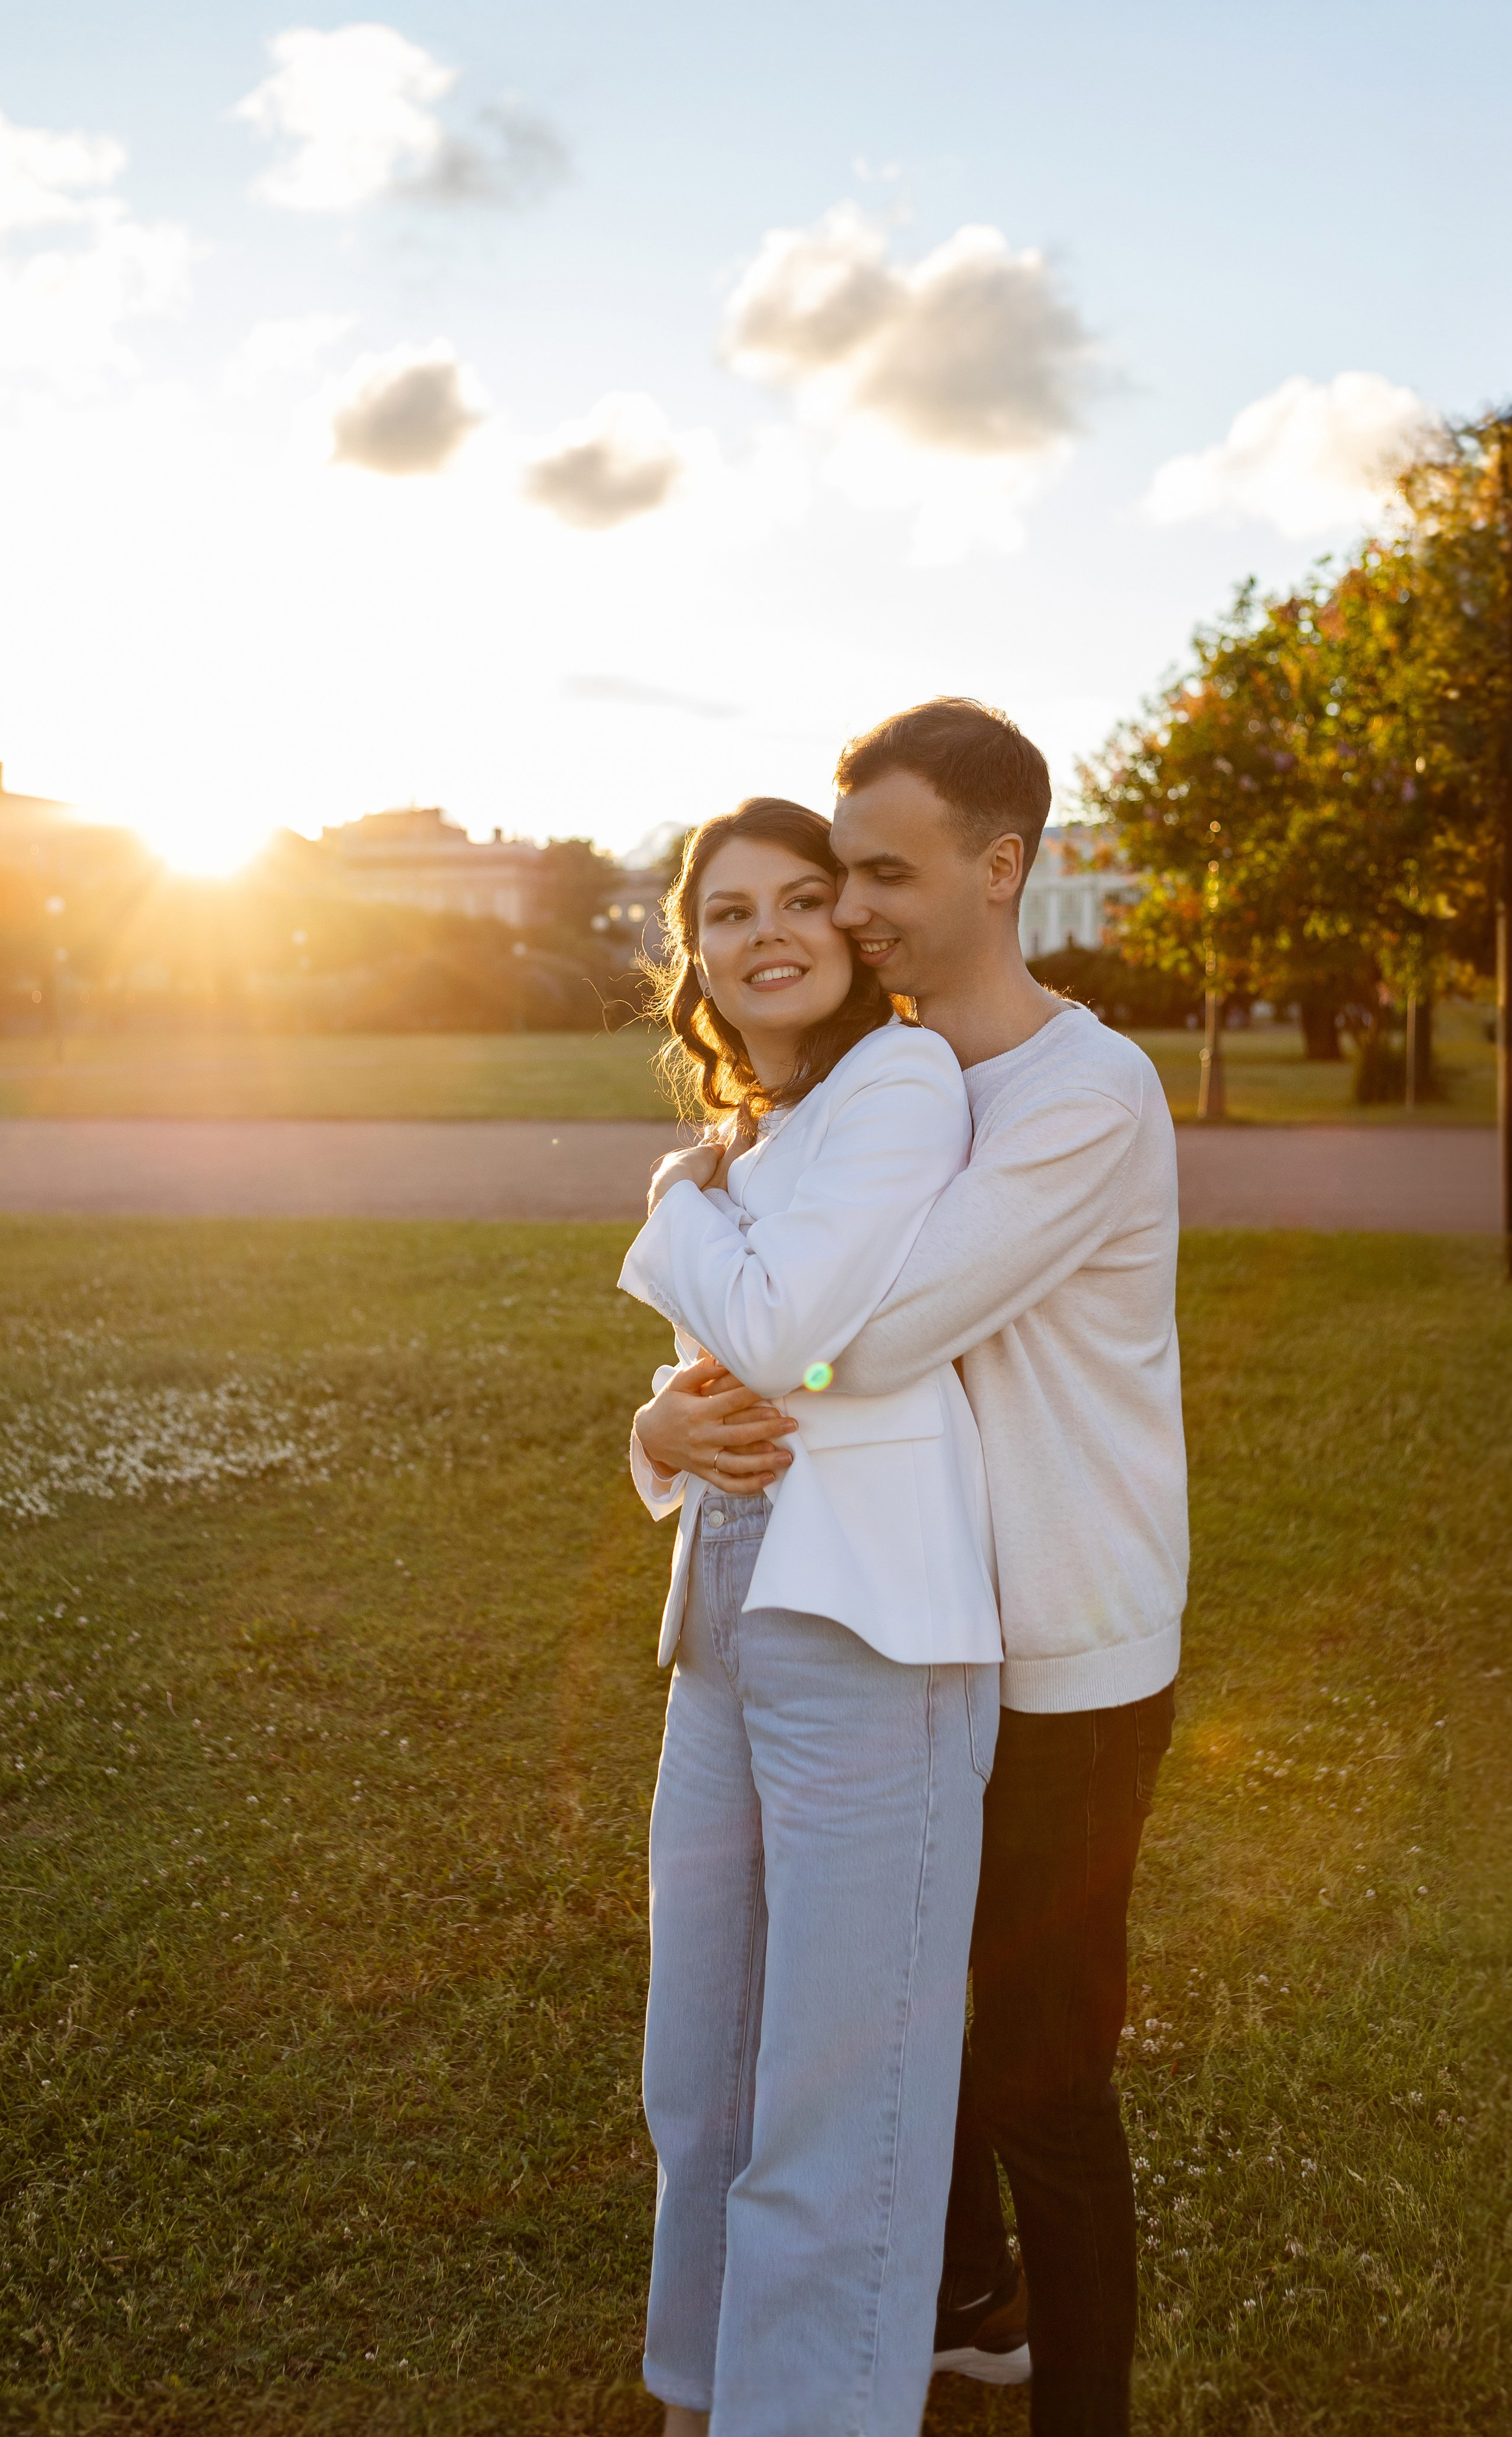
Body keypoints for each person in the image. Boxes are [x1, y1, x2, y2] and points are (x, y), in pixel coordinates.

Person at [635, 700, 1187, 2437]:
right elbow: (777, 1341)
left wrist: (679, 1225)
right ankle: (961, 2307)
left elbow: (848, 1347)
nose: (850, 906)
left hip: (1069, 1635)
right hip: (919, 1611)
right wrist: (664, 1415)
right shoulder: (882, 1078)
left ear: (999, 868)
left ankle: (1072, 2398)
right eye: (830, 874)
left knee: (1038, 2065)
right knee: (885, 2013)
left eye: (880, 872)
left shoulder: (1078, 1091)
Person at [620, 795, 1003, 2437]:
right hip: (719, 1612)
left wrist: (669, 1205)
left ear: (848, 929)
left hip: (869, 1629)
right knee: (697, 2067)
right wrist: (650, 1431)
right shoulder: (751, 1142)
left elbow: (782, 1335)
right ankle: (703, 2388)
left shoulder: (897, 1083)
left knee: (838, 2089)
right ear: (692, 956)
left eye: (798, 899)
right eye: (726, 912)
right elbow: (708, 1383)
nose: (765, 931)